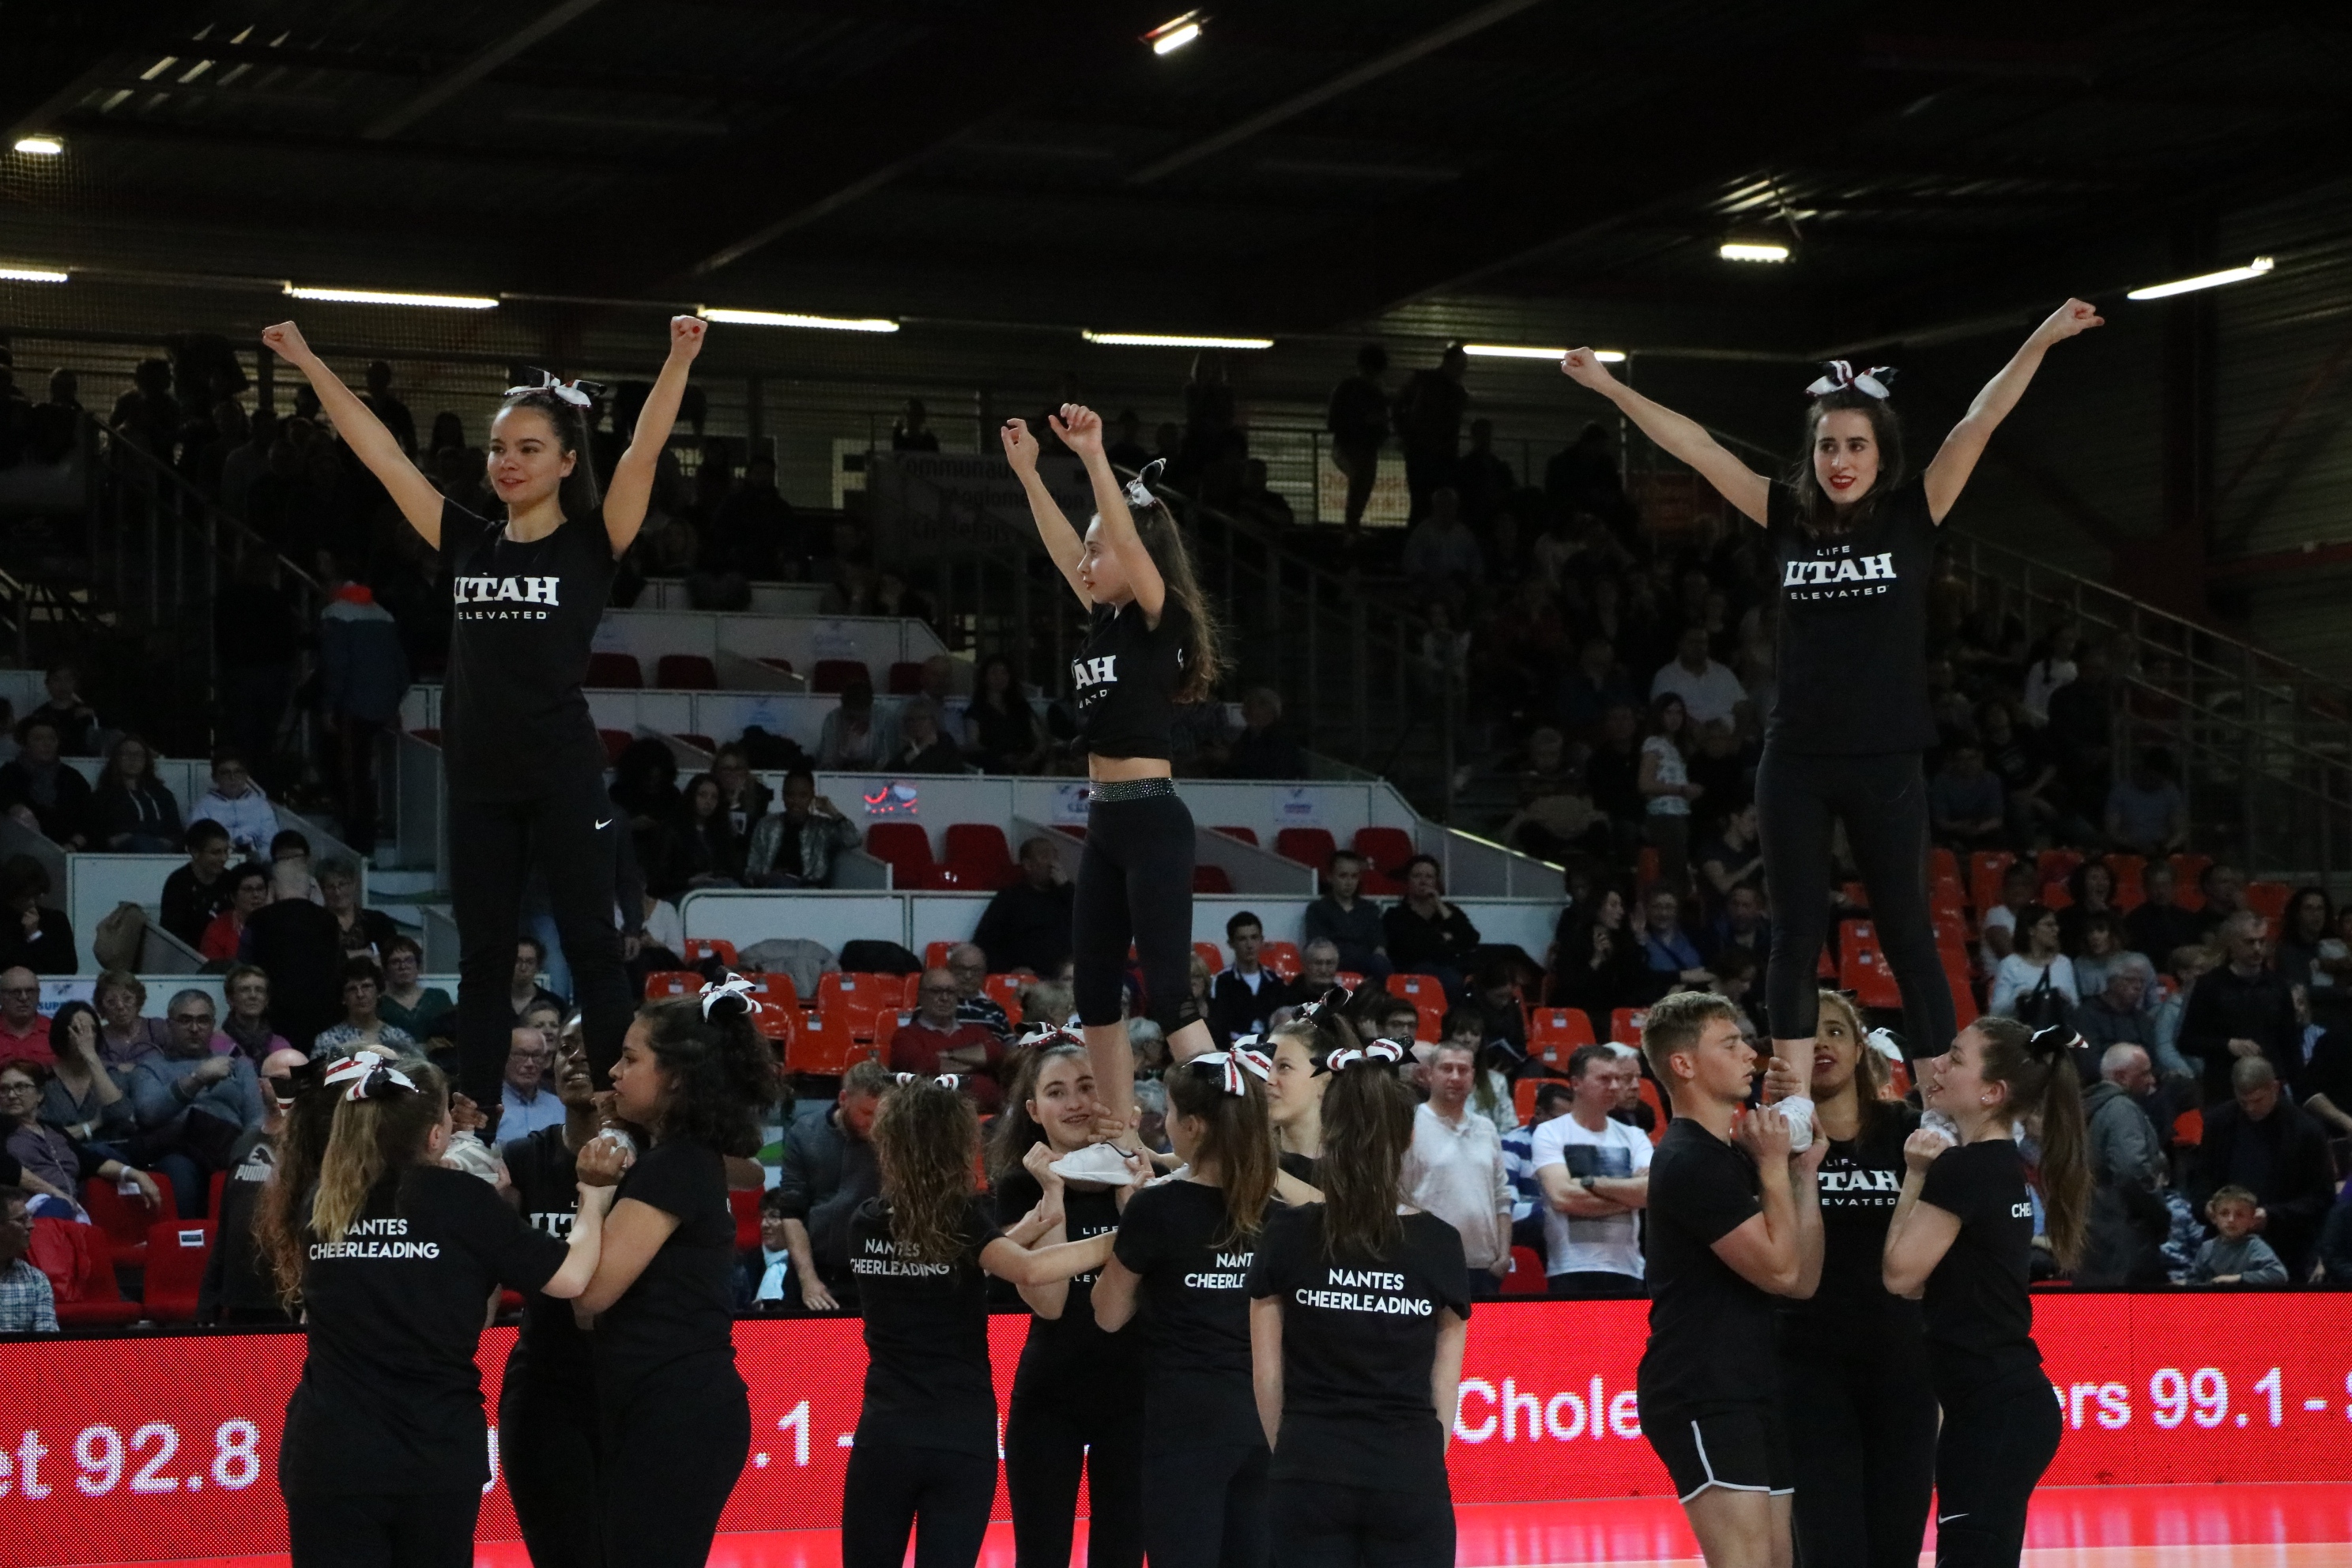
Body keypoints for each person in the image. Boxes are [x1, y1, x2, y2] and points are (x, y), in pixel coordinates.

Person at [1562, 301, 2105, 1083]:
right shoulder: (1783, 513)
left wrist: (2042, 337)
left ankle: (1937, 1097)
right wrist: (1613, 388)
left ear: (1881, 452)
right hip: (1797, 758)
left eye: (1854, 444)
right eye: (1826, 445)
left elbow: (1980, 420)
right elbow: (1696, 446)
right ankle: (1790, 1106)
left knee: (1910, 935)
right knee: (1793, 934)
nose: (1839, 459)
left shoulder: (1915, 512)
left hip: (1887, 757)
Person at [263, 315, 707, 1102]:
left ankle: (617, 1109)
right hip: (478, 782)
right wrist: (305, 359)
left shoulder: (591, 542)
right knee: (482, 960)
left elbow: (641, 454)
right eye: (500, 448)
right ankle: (475, 1115)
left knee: (594, 949)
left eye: (529, 448)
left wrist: (676, 358)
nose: (507, 462)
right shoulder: (466, 540)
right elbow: (382, 454)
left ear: (568, 462)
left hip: (564, 774)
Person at [257, 1055, 619, 1568]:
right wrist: (595, 1191)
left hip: (331, 1453)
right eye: (448, 1123)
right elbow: (574, 1276)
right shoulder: (464, 1202)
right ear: (432, 1137)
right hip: (434, 1453)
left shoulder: (320, 1200)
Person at [1004, 405, 1224, 1168]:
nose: (1090, 562)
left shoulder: (1160, 618)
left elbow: (1124, 540)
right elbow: (1069, 547)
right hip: (1104, 823)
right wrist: (1031, 472)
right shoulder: (1103, 617)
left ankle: (1234, 1137)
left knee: (1169, 995)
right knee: (1093, 993)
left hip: (1155, 818)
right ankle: (1119, 1133)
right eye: (1091, 555)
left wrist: (1097, 460)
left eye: (1104, 552)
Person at [839, 1072, 1125, 1568]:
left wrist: (1044, 1211)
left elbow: (980, 1249)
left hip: (884, 1437)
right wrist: (1122, 1240)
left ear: (888, 1144)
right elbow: (1029, 1268)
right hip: (961, 1439)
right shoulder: (964, 1221)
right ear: (955, 1145)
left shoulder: (865, 1221)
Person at [570, 981, 776, 1567]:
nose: (613, 1071)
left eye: (630, 1059)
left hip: (676, 1414)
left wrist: (594, 1192)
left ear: (678, 1076)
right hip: (664, 1409)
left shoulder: (676, 1165)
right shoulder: (682, 1158)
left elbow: (589, 1296)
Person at [1247, 1037, 1469, 1568]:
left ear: (1331, 1130)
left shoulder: (1285, 1232)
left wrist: (1299, 1459)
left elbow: (1266, 1376)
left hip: (1308, 1470)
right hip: (1409, 1474)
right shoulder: (1440, 1242)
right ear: (1409, 1135)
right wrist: (1412, 1465)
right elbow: (1445, 1386)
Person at [1882, 1019, 2090, 1568]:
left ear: (1992, 1093)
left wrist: (1916, 1173)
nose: (1939, 1067)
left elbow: (1900, 1275)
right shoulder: (2001, 1167)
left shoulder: (1965, 1170)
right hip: (1999, 1405)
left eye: (1954, 1057)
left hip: (1993, 1409)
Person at [1636, 990, 1826, 1568]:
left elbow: (1802, 1281)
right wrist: (1771, 1165)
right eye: (1731, 1043)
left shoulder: (1731, 1155)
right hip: (1703, 1387)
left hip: (1750, 1382)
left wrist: (1800, 1175)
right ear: (1683, 1064)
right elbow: (1780, 1269)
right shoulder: (1690, 1159)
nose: (1752, 1054)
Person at [1755, 993, 1935, 1568]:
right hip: (1806, 1365)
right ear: (1788, 1055)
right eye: (1810, 1035)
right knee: (1830, 1546)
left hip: (1902, 1362)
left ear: (1860, 1049)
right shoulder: (1770, 1142)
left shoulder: (1908, 1130)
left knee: (1896, 1545)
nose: (1824, 1044)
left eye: (1837, 1032)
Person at [1090, 1047, 1282, 1568]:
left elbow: (1108, 1313)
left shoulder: (1156, 1208)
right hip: (1265, 1422)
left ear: (1194, 1126)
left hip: (1186, 1427)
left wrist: (1132, 1225)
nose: (1166, 1122)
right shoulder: (1279, 1213)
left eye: (1172, 1112)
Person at [985, 1036, 1147, 1568]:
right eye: (1057, 1092)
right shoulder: (1017, 1189)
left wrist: (1133, 1199)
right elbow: (1050, 1302)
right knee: (1041, 1555)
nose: (1075, 1102)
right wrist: (1052, 1191)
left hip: (1135, 1400)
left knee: (1121, 1554)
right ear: (1033, 1111)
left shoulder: (1149, 1180)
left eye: (1086, 1087)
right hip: (1049, 1399)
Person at [496, 1025, 609, 1568]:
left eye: (589, 1046)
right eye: (565, 1049)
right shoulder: (522, 1157)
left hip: (628, 1383)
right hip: (545, 1380)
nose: (574, 1058)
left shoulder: (653, 1164)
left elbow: (747, 1167)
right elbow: (487, 1270)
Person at [2187, 1057, 2335, 1280]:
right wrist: (2207, 1205)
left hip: (2285, 1245)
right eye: (2243, 1100)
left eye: (2258, 1100)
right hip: (2223, 1247)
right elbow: (2199, 1177)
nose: (2251, 1108)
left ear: (2275, 1087)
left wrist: (2272, 1215)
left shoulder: (2306, 1131)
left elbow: (2321, 1197)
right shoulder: (2218, 1122)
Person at [198, 1046, 311, 1328]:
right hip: (241, 1293)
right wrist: (208, 1297)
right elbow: (227, 1224)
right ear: (262, 1086)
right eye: (281, 1078)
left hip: (292, 1296)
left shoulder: (319, 1147)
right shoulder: (244, 1142)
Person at [1532, 1042, 1654, 1299]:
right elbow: (1562, 1197)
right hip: (1570, 1268)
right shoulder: (1550, 1132)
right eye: (1604, 1079)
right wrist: (1629, 1197)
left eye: (1616, 1079)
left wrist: (1589, 1183)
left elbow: (1651, 1193)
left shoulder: (1634, 1136)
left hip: (1628, 1269)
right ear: (1576, 1083)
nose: (1613, 1087)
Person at [130, 989, 266, 1216]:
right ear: (169, 1025)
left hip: (229, 1146)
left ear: (213, 1025)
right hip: (178, 1150)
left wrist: (245, 1152)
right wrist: (198, 1078)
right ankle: (190, 1244)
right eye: (185, 1020)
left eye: (203, 1020)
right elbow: (148, 1114)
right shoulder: (150, 1067)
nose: (194, 1028)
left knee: (254, 1168)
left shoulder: (239, 1065)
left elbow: (256, 1118)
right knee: (179, 1171)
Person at [775, 1057, 889, 1310]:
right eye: (867, 1113)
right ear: (843, 1099)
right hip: (812, 1269)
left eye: (882, 1114)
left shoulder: (895, 1138)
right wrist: (808, 1279)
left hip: (874, 1273)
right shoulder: (804, 1132)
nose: (874, 1124)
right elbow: (792, 1211)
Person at [1402, 1035, 1512, 1298]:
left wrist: (1504, 1255)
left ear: (1473, 1077)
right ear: (1428, 1075)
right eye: (1447, 1068)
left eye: (1463, 1070)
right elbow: (1395, 1195)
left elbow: (1502, 1196)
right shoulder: (1408, 1124)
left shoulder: (1487, 1128)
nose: (1455, 1076)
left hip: (1483, 1266)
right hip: (1427, 1263)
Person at [247, 856, 345, 1053]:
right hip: (323, 1017)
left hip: (275, 1018)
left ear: (272, 886)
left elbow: (246, 966)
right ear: (310, 887)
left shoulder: (258, 920)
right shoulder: (328, 920)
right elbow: (339, 966)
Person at [888, 970, 1008, 1111]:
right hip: (933, 1119)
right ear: (921, 996)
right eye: (936, 991)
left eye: (950, 992)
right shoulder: (906, 1036)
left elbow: (996, 1054)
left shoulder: (977, 1031)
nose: (945, 998)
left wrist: (947, 1055)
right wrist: (977, 1063)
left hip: (988, 1118)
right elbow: (923, 1065)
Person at [741, 767, 862, 889]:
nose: (796, 801)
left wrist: (833, 812)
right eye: (790, 795)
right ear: (783, 795)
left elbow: (854, 839)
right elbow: (752, 869)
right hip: (770, 889)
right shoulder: (767, 825)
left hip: (809, 892)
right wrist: (766, 878)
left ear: (812, 796)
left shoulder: (822, 828)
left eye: (803, 795)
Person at [973, 836, 1076, 977]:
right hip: (1025, 981)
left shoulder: (1067, 895)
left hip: (1066, 979)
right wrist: (1010, 970)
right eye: (1046, 857)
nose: (1054, 863)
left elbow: (1090, 923)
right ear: (1028, 866)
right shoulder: (1009, 898)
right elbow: (984, 943)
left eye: (1056, 857)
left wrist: (1066, 887)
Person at [1385, 854, 1480, 1000]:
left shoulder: (1448, 911)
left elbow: (1471, 938)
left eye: (1429, 877)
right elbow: (1409, 948)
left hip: (1453, 967)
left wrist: (1440, 906)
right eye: (1417, 876)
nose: (1423, 881)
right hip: (1414, 972)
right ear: (1408, 881)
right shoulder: (1395, 915)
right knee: (1452, 980)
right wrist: (1444, 938)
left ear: (1435, 882)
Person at [1393, 343, 1469, 523]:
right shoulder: (1453, 392)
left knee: (1423, 504)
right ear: (1449, 363)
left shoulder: (1425, 381)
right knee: (1428, 504)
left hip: (1429, 454)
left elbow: (1397, 406)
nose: (1461, 372)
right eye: (1460, 367)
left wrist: (1404, 435)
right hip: (1433, 455)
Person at [1326, 344, 1390, 530]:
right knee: (1362, 477)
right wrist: (1368, 423)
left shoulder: (1349, 389)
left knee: (1362, 479)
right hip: (1353, 447)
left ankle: (1352, 525)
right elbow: (1335, 422)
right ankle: (1352, 525)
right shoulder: (1364, 392)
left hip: (1352, 446)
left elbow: (1333, 422)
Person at [0, 717, 90, 847]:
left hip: (68, 850)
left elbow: (89, 818)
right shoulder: (10, 773)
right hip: (20, 849)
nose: (46, 744)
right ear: (25, 743)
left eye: (52, 739)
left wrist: (73, 844)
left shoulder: (72, 778)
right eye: (38, 739)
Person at [89, 733, 184, 852]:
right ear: (116, 758)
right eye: (126, 754)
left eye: (138, 755)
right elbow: (93, 833)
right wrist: (113, 840)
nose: (133, 759)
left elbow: (177, 831)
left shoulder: (163, 795)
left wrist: (169, 842)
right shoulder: (102, 797)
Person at [1303, 850, 1390, 981]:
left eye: (1354, 876)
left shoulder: (1370, 909)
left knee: (1381, 963)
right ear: (1330, 877)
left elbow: (1379, 947)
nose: (1349, 882)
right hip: (1332, 967)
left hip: (1367, 969)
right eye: (1343, 876)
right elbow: (1318, 947)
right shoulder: (1318, 909)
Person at [309, 957, 420, 1058]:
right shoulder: (328, 1041)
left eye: (366, 986)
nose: (360, 994)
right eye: (352, 989)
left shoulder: (399, 1038)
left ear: (379, 992)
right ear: (343, 998)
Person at [1988, 903, 2079, 1025]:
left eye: (2055, 925)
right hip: (2022, 1031)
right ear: (2031, 930)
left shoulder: (2064, 963)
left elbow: (2076, 1005)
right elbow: (1996, 1012)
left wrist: (2064, 999)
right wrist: (2019, 999)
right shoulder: (2010, 964)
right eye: (2049, 925)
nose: (2056, 930)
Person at [188, 748, 278, 861]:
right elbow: (198, 842)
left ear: (246, 776)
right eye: (225, 773)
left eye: (238, 772)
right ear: (215, 777)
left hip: (256, 863)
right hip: (217, 863)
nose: (233, 778)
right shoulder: (203, 806)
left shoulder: (261, 805)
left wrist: (257, 855)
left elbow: (271, 842)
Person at [2189, 1185, 2290, 1285]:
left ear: (2252, 1220)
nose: (2231, 1220)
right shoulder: (2207, 1248)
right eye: (2224, 1213)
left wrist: (2239, 1278)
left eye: (2239, 1215)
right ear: (2214, 1218)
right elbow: (2194, 1281)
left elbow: (2279, 1274)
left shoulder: (2255, 1247)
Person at [964, 653, 1047, 774]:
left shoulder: (1021, 707)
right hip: (995, 761)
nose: (1000, 677)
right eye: (994, 673)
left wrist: (1033, 757)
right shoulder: (976, 710)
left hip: (1026, 757)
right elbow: (973, 743)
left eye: (1004, 673)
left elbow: (1040, 738)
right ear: (984, 678)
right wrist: (999, 756)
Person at [162, 820, 239, 950]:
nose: (223, 858)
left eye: (226, 851)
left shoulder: (230, 879)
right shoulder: (178, 883)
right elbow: (172, 933)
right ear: (195, 852)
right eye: (215, 853)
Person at [2105, 748, 2188, 860]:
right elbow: (2112, 831)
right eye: (2151, 778)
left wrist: (2166, 847)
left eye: (2160, 780)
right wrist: (2136, 845)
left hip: (2162, 848)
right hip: (2130, 849)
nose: (2155, 783)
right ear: (2143, 770)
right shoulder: (2121, 792)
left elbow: (2180, 830)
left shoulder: (2171, 792)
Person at [2124, 860, 2204, 967]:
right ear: (2146, 888)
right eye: (2155, 886)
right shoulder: (2134, 920)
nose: (2161, 891)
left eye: (2165, 885)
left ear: (2174, 886)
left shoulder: (2189, 918)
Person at [0, 1186, 57, 1332]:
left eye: (29, 1218)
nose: (31, 1225)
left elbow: (47, 1345)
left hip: (22, 1356)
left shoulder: (36, 1279)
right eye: (21, 1220)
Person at [379, 937, 455, 1045]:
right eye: (395, 962)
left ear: (418, 965)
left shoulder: (439, 997)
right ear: (386, 969)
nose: (403, 966)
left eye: (409, 960)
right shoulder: (379, 1004)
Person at [498, 1026, 564, 1138]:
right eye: (520, 1055)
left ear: (546, 1061)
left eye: (536, 1056)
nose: (530, 1064)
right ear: (504, 1057)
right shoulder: (491, 1106)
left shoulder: (560, 1107)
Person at [0, 967, 51, 1071]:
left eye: (30, 991)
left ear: (38, 995)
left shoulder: (56, 1032)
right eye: (15, 992)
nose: (23, 998)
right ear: (1, 996)